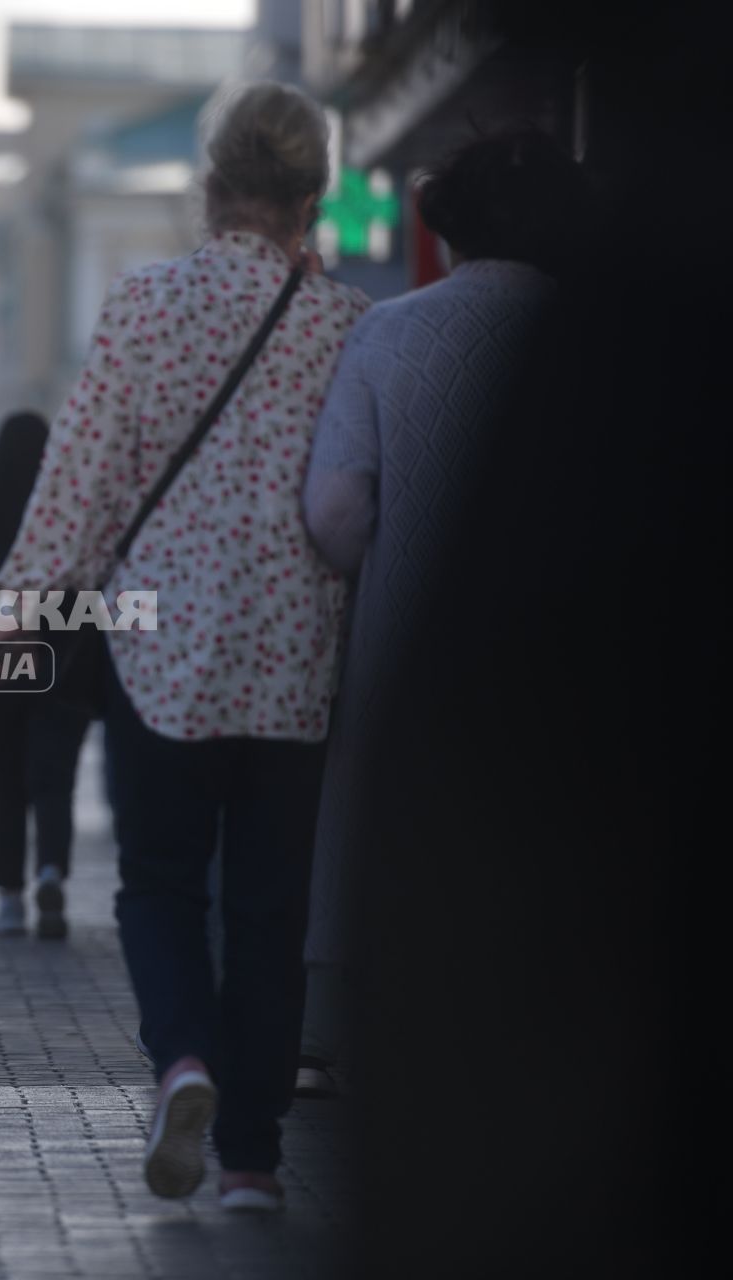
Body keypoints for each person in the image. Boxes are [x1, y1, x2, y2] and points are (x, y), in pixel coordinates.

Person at [0, 82, 370, 1211]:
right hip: (295, 657)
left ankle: (184, 1063)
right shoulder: (347, 324)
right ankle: (252, 1158)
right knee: (268, 907)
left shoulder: (144, 303)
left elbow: (82, 479)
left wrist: (14, 607)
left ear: (211, 188)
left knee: (157, 884)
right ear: (314, 198)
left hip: (159, 656)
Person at [298, 127, 587, 1098]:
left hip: (410, 642)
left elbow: (335, 513)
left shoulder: (385, 330)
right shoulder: (605, 335)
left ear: (450, 224)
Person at [0, 411, 92, 940]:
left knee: (4, 782)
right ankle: (51, 870)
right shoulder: (65, 516)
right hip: (63, 664)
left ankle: (10, 899)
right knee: (54, 780)